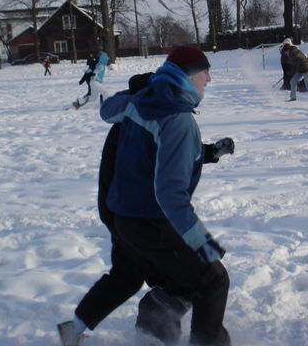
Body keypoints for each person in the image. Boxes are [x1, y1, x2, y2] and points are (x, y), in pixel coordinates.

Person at [87, 45, 234, 346]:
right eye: (205, 71)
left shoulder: (145, 104)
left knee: (179, 277)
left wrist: (210, 152)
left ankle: (153, 331)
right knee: (212, 278)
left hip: (129, 218)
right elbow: (170, 193)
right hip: (149, 219)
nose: (209, 78)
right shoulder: (175, 117)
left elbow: (112, 114)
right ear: (189, 74)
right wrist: (202, 242)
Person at [58, 72, 216, 346]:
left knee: (127, 277)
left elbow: (175, 149)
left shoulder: (134, 122)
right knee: (183, 273)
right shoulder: (133, 127)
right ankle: (157, 327)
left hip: (124, 217)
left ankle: (77, 328)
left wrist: (210, 152)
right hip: (132, 218)